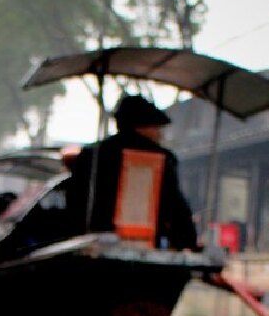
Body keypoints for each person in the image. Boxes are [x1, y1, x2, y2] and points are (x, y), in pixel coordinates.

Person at [64, 94, 198, 250]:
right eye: (156, 128)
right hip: (141, 253)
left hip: (91, 247)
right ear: (142, 126)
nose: (160, 134)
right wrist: (187, 241)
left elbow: (75, 201)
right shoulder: (161, 158)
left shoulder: (90, 155)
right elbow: (175, 208)